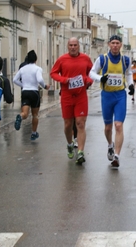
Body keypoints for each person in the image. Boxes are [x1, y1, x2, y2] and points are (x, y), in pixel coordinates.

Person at [89, 35, 134, 169]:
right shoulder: (102, 59)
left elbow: (128, 73)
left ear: (121, 45)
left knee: (118, 125)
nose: (115, 45)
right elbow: (91, 73)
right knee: (108, 127)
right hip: (106, 95)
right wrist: (100, 78)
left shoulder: (125, 60)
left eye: (117, 43)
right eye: (113, 43)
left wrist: (131, 85)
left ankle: (117, 156)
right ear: (109, 44)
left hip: (120, 95)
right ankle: (110, 145)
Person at [51, 37, 93, 165]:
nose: (73, 47)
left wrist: (89, 81)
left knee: (80, 123)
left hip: (81, 96)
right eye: (71, 45)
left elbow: (92, 72)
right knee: (68, 124)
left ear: (78, 46)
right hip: (66, 96)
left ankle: (80, 152)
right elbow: (53, 73)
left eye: (75, 45)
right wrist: (64, 80)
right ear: (67, 46)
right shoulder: (62, 59)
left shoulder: (85, 58)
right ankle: (70, 144)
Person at [13, 50, 50, 140]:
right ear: (35, 60)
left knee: (25, 113)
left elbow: (14, 80)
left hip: (25, 92)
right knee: (35, 115)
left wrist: (23, 85)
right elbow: (40, 79)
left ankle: (20, 117)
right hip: (34, 92)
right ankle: (33, 133)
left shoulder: (22, 69)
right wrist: (44, 86)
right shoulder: (37, 68)